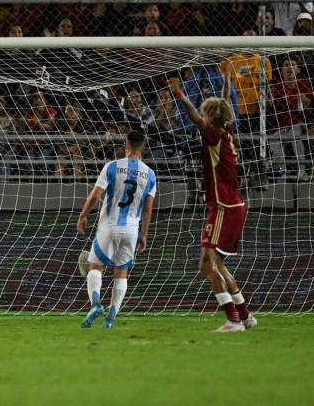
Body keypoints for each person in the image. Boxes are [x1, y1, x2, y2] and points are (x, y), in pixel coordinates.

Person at [169, 76, 256, 332]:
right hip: (233, 206)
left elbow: (195, 117)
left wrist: (179, 92)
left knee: (207, 264)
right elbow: (225, 102)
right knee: (217, 264)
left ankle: (233, 320)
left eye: (206, 112)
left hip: (224, 207)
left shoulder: (215, 134)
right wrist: (227, 77)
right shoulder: (226, 130)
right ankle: (245, 316)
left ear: (210, 117)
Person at [76, 130, 155, 329]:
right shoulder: (150, 174)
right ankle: (110, 318)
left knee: (95, 267)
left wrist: (82, 215)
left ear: (124, 147)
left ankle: (95, 304)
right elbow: (147, 208)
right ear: (143, 149)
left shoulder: (112, 167)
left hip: (109, 226)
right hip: (131, 230)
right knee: (121, 274)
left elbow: (95, 195)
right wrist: (144, 234)